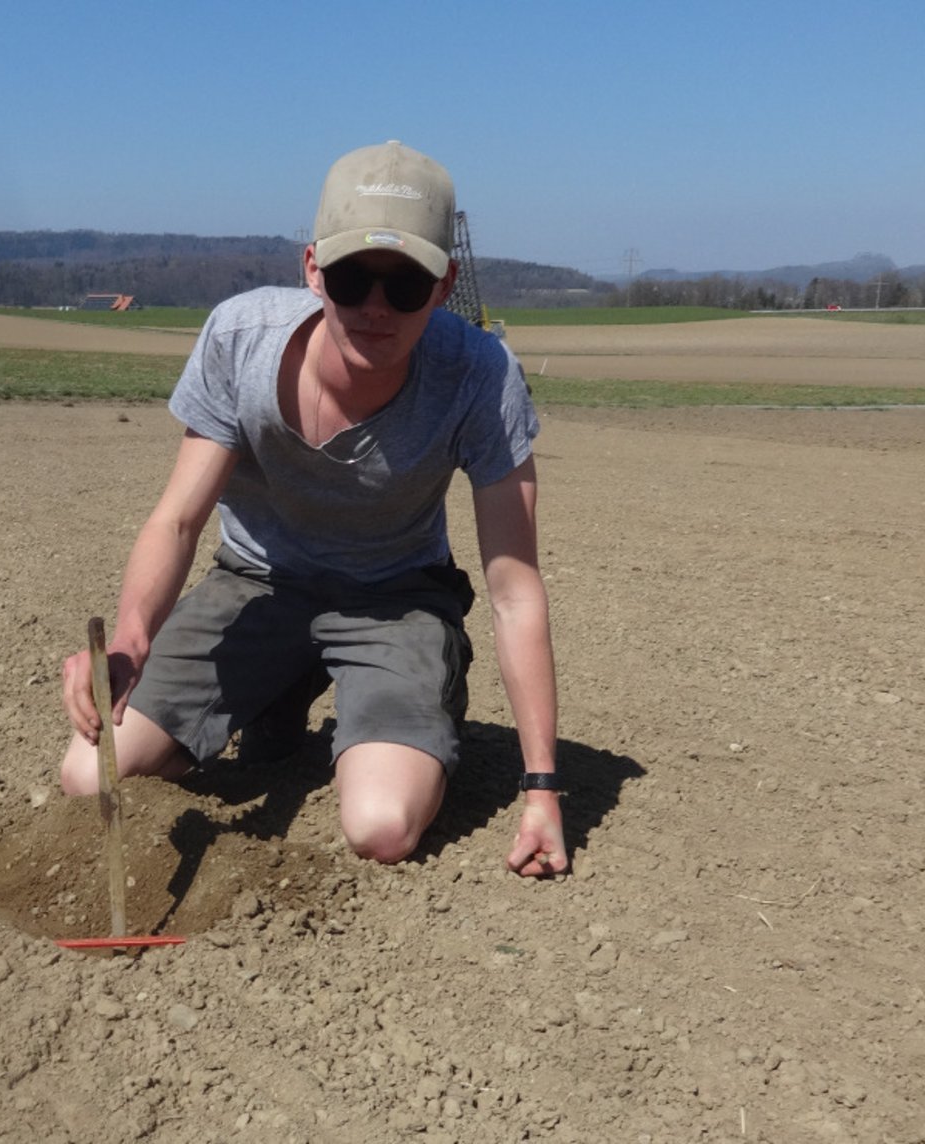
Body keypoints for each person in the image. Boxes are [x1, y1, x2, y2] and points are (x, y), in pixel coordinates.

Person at [61, 140, 566, 877]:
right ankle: (284, 677)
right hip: (258, 584)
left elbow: (516, 590)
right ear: (311, 269)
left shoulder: (480, 377)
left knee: (382, 827)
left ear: (445, 282)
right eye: (351, 276)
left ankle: (421, 689)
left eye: (406, 285)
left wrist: (542, 788)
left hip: (395, 597)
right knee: (89, 775)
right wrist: (130, 644)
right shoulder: (240, 342)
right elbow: (177, 520)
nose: (374, 307)